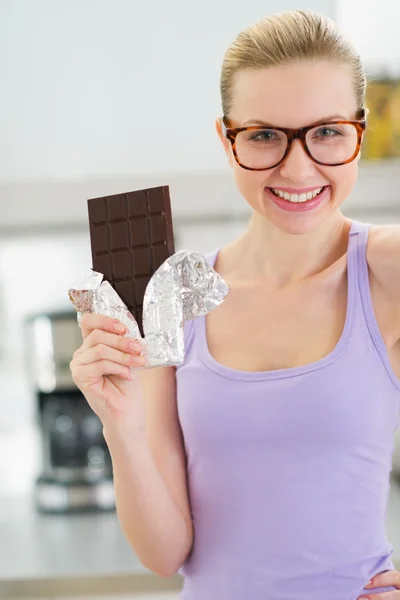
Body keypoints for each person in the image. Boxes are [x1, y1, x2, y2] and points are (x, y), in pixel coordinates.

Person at [69, 10, 400, 600]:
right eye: (265, 135)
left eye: (326, 132)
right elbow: (165, 553)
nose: (298, 169)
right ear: (228, 139)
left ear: (360, 131)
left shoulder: (384, 268)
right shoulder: (173, 293)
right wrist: (120, 425)